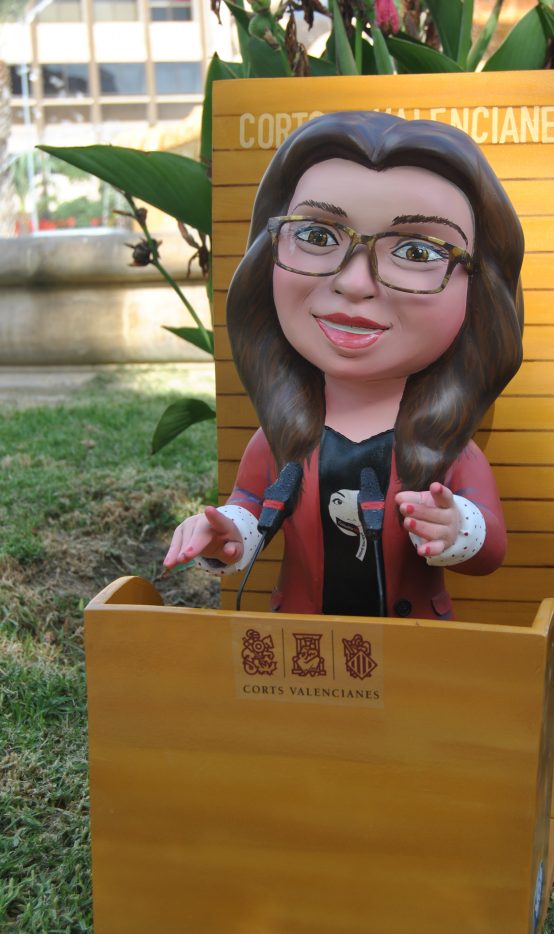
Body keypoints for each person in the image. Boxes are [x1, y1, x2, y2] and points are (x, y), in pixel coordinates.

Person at [164, 111, 524, 619]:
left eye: (416, 251)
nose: (354, 283)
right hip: (302, 647)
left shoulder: (447, 449)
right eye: (316, 236)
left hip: (413, 648)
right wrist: (228, 532)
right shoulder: (281, 437)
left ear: (480, 286)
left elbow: (492, 549)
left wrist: (459, 528)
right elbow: (251, 500)